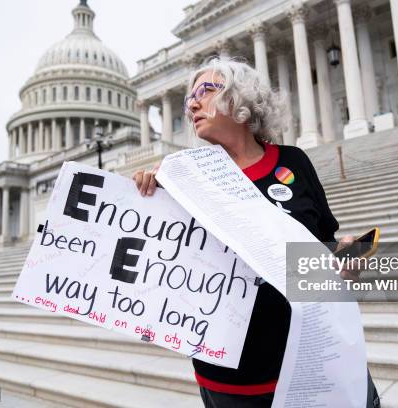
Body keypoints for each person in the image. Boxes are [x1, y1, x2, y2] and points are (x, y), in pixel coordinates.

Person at [133, 58, 379, 408]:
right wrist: (146, 195)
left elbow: (323, 251)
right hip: (231, 378)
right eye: (190, 96)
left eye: (206, 91)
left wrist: (345, 260)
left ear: (240, 100)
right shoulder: (185, 179)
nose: (192, 103)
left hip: (314, 360)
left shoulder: (293, 162)